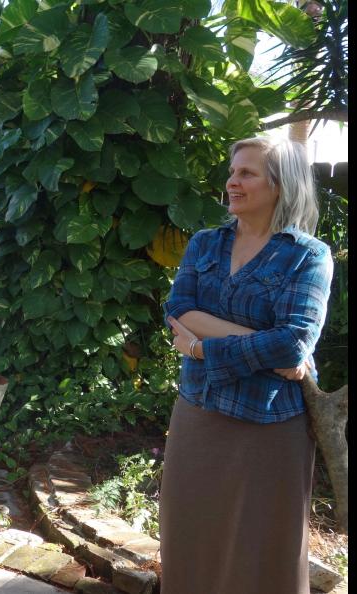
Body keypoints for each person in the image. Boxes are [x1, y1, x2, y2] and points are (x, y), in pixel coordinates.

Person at [158, 136, 334, 594]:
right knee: (191, 532)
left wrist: (201, 348)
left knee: (263, 546)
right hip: (199, 411)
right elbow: (178, 309)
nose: (232, 182)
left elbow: (294, 343)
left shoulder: (308, 255)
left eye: (246, 173)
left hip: (269, 424)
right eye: (233, 172)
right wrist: (265, 343)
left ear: (280, 185)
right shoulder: (205, 244)